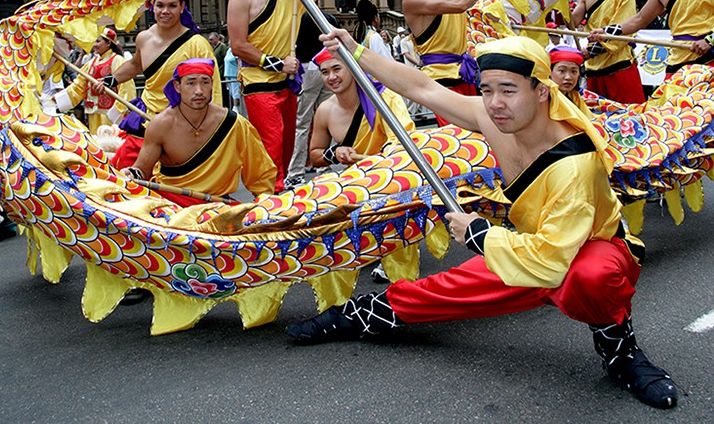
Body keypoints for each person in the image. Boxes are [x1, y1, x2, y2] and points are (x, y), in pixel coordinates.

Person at [286, 32, 678, 411]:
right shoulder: (495, 118)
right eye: (487, 90)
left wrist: (478, 233)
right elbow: (425, 89)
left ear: (542, 90)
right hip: (528, 245)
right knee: (440, 290)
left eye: (508, 89)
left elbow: (552, 259)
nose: (494, 103)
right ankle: (355, 316)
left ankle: (620, 349)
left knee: (588, 275)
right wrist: (357, 53)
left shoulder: (574, 162)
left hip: (586, 251)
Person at [227, 0, 331, 192]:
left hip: (287, 82)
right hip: (259, 82)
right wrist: (276, 63)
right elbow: (238, 46)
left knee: (287, 145)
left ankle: (281, 194)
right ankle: (269, 200)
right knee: (271, 146)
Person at [105, 0, 221, 169]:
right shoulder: (143, 38)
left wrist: (210, 128)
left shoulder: (197, 44)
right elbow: (135, 64)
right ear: (152, 6)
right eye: (160, 5)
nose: (165, 11)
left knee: (170, 184)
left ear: (182, 7)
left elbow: (212, 89)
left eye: (172, 5)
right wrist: (112, 79)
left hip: (182, 122)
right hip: (145, 119)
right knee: (123, 175)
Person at [127, 58, 275, 203]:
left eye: (205, 82)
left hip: (218, 206)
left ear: (212, 85)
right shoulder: (160, 125)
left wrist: (265, 205)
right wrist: (131, 174)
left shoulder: (234, 123)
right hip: (172, 206)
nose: (199, 91)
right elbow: (142, 171)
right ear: (177, 86)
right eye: (191, 83)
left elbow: (261, 174)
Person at [308, 48, 415, 169]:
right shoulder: (324, 110)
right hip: (358, 179)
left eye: (337, 69)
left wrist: (384, 158)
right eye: (325, 72)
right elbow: (314, 156)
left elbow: (404, 140)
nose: (331, 77)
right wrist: (334, 153)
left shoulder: (384, 98)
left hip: (394, 171)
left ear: (353, 68)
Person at [571, 0, 645, 103]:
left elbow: (622, 33)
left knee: (629, 115)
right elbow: (573, 22)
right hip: (593, 68)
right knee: (597, 117)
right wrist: (560, 0)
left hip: (618, 65)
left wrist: (590, 51)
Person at [285, 11, 339, 189]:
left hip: (308, 68)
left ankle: (295, 172)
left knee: (303, 123)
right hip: (326, 66)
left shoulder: (297, 18)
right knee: (324, 120)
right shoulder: (326, 17)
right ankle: (323, 168)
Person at [47, 28, 135, 133]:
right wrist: (58, 99)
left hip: (109, 115)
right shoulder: (91, 63)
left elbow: (126, 89)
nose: (94, 45)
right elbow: (78, 86)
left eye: (98, 41)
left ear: (108, 43)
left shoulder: (118, 61)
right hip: (93, 113)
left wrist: (118, 111)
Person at [548, 45, 593, 118]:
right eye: (562, 71)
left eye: (573, 71)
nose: (568, 77)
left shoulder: (574, 95)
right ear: (550, 72)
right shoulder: (544, 99)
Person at [208, 32, 229, 103]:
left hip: (222, 72)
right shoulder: (214, 48)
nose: (210, 41)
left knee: (224, 91)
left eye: (211, 39)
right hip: (217, 71)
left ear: (216, 39)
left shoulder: (222, 47)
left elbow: (225, 59)